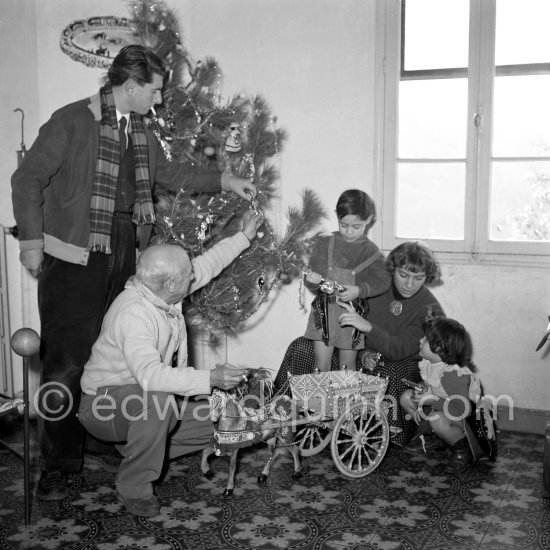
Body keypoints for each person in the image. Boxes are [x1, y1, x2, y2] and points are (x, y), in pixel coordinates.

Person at [10, 44, 256, 501]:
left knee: (115, 354)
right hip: (72, 256)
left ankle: (104, 435)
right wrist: (30, 242)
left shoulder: (139, 129)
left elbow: (171, 174)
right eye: (155, 91)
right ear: (130, 86)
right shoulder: (71, 121)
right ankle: (61, 463)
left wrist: (224, 180)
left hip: (122, 247)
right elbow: (26, 180)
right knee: (65, 364)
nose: (159, 100)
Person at [78, 209, 263, 517]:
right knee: (158, 402)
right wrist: (210, 379)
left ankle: (137, 448)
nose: (194, 276)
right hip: (103, 405)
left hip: (144, 401)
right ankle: (133, 485)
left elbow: (209, 264)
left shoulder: (162, 290)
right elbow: (151, 377)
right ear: (168, 284)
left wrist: (244, 236)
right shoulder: (133, 314)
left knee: (226, 422)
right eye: (187, 276)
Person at [274, 241, 444, 447]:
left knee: (392, 371)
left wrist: (368, 327)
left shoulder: (429, 308)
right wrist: (363, 353)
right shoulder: (372, 288)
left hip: (401, 365)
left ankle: (379, 438)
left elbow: (400, 349)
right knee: (302, 347)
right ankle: (282, 420)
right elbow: (343, 327)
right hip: (361, 359)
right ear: (392, 270)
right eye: (403, 275)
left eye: (418, 278)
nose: (410, 284)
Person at [302, 189, 391, 371]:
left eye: (356, 226)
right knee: (321, 366)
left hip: (351, 316)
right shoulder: (325, 243)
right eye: (344, 225)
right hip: (323, 314)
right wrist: (312, 280)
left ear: (369, 220)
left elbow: (384, 281)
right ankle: (319, 400)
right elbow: (311, 279)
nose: (349, 232)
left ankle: (347, 399)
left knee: (347, 367)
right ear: (337, 217)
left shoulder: (371, 252)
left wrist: (359, 290)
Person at [399, 317, 485, 471]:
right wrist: (423, 389)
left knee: (437, 418)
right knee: (406, 397)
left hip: (466, 420)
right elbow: (433, 384)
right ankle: (433, 436)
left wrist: (431, 401)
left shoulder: (452, 375)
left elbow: (462, 409)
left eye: (425, 339)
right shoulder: (431, 364)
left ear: (438, 348)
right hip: (444, 407)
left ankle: (462, 446)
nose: (420, 340)